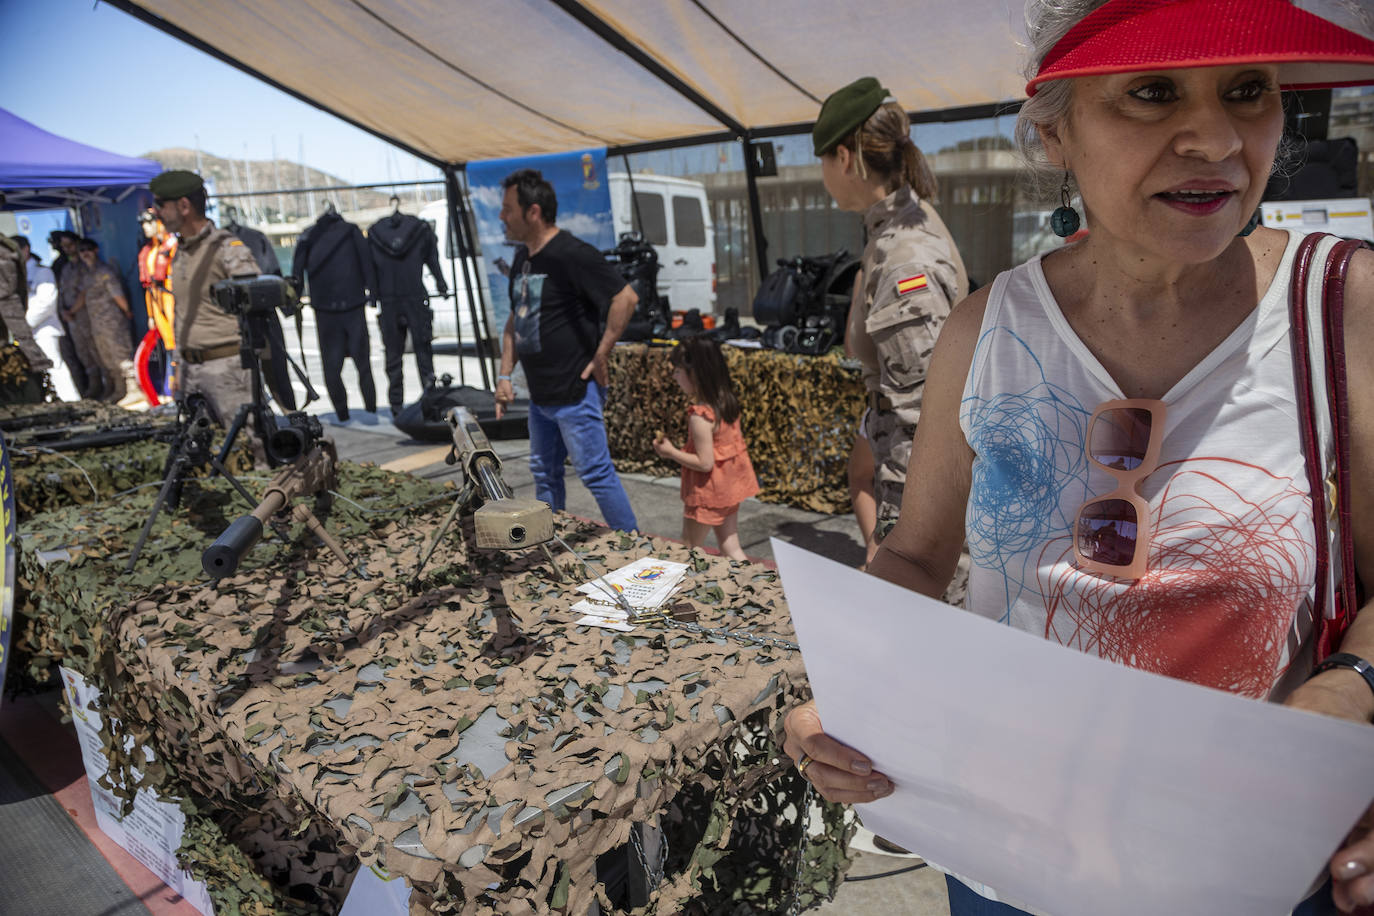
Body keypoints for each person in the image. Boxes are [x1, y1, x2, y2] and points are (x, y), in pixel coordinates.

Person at [783, 2, 1374, 914]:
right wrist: (858, 694)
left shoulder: (1342, 308)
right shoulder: (986, 329)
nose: (1217, 137)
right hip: (1003, 857)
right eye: (1152, 92)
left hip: (1245, 870)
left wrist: (1351, 688)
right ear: (1054, 131)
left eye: (1248, 90)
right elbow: (914, 554)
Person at [815, 77, 969, 588]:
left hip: (916, 482)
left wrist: (907, 539)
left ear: (844, 156)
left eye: (821, 161)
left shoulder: (906, 254)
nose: (822, 176)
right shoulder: (892, 227)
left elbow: (923, 417)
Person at [493, 168, 639, 532]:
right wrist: (505, 374)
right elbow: (515, 321)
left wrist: (602, 352)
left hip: (575, 391)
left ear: (534, 212)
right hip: (540, 396)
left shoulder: (571, 253)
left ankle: (639, 550)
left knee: (595, 473)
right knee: (544, 473)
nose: (502, 216)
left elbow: (626, 297)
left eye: (508, 209)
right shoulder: (521, 258)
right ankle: (548, 544)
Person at [151, 169, 262, 427]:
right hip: (191, 372)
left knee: (247, 447)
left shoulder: (227, 249)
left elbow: (256, 313)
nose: (156, 212)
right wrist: (178, 365)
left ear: (184, 205)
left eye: (160, 204)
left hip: (228, 371)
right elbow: (182, 314)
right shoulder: (180, 251)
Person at [652, 336, 759, 561]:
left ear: (696, 374)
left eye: (678, 371)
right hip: (730, 485)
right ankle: (753, 587)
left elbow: (704, 462)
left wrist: (670, 452)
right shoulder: (727, 402)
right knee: (731, 547)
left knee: (689, 547)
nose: (675, 376)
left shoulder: (700, 416)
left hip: (707, 492)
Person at [12, 236, 78, 401]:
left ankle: (71, 401)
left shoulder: (42, 272)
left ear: (25, 249)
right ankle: (51, 403)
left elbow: (46, 303)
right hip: (25, 333)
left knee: (54, 366)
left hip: (44, 329)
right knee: (35, 371)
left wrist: (23, 324)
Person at [70, 239, 133, 402]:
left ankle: (134, 390)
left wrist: (126, 310)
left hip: (112, 322)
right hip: (96, 324)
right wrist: (71, 312)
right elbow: (83, 296)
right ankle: (120, 391)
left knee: (121, 356)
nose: (85, 253)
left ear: (96, 250)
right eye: (81, 250)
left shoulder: (105, 271)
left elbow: (117, 295)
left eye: (88, 249)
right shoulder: (87, 274)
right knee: (107, 359)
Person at [0, 234, 54, 376]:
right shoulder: (7, 247)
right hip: (11, 302)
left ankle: (40, 375)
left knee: (26, 342)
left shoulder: (5, 248)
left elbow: (9, 287)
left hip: (9, 302)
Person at [54, 230, 98, 398]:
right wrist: (65, 312)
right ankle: (92, 385)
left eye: (70, 245)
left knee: (95, 351)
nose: (67, 249)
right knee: (82, 352)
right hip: (71, 318)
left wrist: (72, 310)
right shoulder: (65, 267)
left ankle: (103, 384)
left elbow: (84, 291)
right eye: (63, 246)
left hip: (86, 315)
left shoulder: (85, 267)